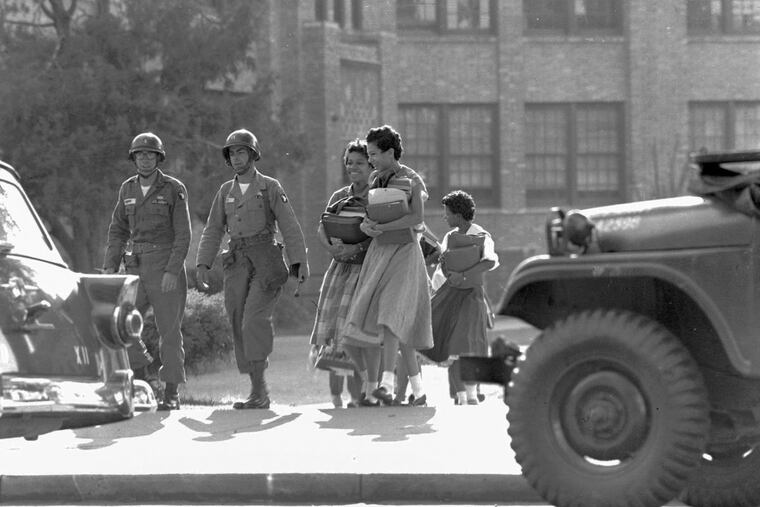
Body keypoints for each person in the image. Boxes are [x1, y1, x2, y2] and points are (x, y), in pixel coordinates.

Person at [196, 129, 309, 409]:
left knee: (253, 320)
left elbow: (289, 225)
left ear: (253, 154)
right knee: (237, 320)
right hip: (237, 261)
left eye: (241, 152)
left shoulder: (269, 187)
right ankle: (255, 389)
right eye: (232, 153)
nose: (236, 158)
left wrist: (299, 262)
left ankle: (261, 391)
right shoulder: (225, 191)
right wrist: (203, 262)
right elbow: (213, 229)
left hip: (266, 260)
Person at [343, 125, 433, 407]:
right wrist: (367, 226)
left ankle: (386, 381)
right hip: (380, 254)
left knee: (391, 314)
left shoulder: (411, 179)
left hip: (405, 253)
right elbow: (371, 213)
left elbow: (417, 216)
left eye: (373, 154)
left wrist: (385, 226)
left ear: (390, 152)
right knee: (396, 324)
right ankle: (419, 392)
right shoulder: (375, 178)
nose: (370, 160)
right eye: (368, 154)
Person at [103, 132, 191, 411]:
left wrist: (172, 271)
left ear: (159, 157)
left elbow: (183, 234)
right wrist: (109, 265)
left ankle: (172, 392)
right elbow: (117, 230)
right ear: (133, 158)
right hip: (135, 266)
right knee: (121, 323)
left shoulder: (173, 188)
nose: (144, 159)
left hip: (165, 264)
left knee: (169, 332)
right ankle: (144, 377)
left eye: (150, 154)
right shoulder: (127, 189)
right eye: (139, 154)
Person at [309, 139, 382, 408]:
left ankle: (359, 395)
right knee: (334, 332)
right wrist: (332, 248)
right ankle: (336, 397)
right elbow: (322, 227)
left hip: (365, 271)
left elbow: (379, 234)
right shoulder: (339, 196)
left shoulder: (377, 195)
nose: (353, 167)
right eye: (349, 162)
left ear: (371, 165)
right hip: (339, 269)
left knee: (356, 333)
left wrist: (356, 247)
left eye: (359, 163)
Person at [427, 190, 499, 405]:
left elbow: (489, 261)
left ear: (458, 214)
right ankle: (460, 395)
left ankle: (471, 393)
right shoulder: (449, 237)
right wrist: (448, 271)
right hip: (451, 292)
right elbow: (445, 262)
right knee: (451, 342)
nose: (444, 217)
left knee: (470, 342)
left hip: (472, 294)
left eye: (447, 213)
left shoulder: (481, 235)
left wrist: (465, 274)